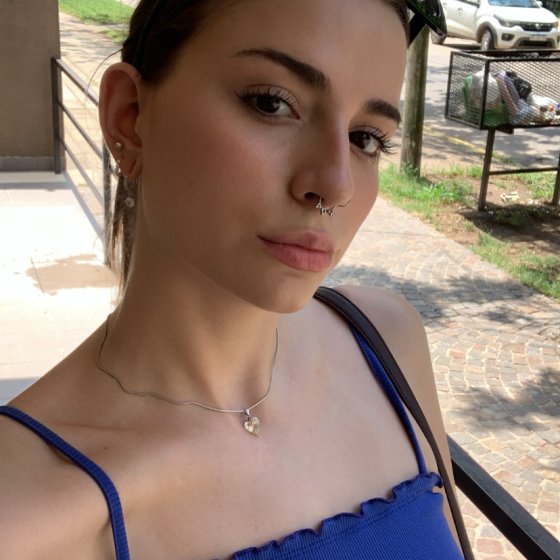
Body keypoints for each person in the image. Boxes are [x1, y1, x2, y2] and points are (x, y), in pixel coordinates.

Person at [0, 0, 466, 558]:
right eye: (272, 103)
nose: (335, 185)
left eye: (366, 138)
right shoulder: (25, 519)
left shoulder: (387, 340)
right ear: (130, 116)